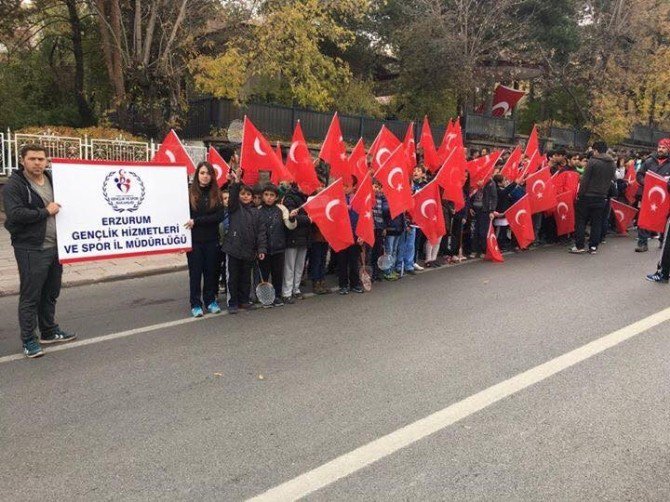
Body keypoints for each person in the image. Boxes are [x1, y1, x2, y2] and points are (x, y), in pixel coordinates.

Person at [3, 144, 76, 358]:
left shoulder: (53, 180)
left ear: (47, 161)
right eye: (32, 158)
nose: (37, 163)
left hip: (57, 247)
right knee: (31, 295)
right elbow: (15, 215)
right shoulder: (14, 186)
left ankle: (49, 331)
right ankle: (29, 340)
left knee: (51, 291)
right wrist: (45, 211)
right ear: (22, 161)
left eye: (41, 159)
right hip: (31, 247)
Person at [221, 169, 267, 314]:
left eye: (248, 194)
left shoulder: (256, 213)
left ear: (253, 197)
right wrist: (236, 181)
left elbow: (261, 233)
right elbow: (233, 195)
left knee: (245, 278)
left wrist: (261, 250)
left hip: (249, 251)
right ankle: (232, 302)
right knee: (232, 277)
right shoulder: (234, 208)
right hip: (233, 249)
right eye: (243, 194)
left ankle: (244, 300)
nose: (246, 196)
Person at [184, 162, 224, 317]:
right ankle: (195, 304)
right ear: (197, 175)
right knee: (195, 274)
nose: (205, 176)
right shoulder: (189, 194)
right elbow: (184, 216)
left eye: (208, 173)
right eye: (202, 173)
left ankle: (210, 301)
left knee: (210, 272)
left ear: (212, 176)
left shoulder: (217, 193)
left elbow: (219, 216)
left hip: (212, 240)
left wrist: (197, 221)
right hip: (194, 241)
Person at [570, 141, 616, 255]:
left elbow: (585, 180)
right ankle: (593, 246)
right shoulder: (612, 163)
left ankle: (579, 245)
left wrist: (580, 194)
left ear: (595, 150)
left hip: (587, 195)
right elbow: (612, 179)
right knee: (597, 222)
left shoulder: (593, 161)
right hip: (602, 196)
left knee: (581, 221)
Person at [257, 183, 296, 307]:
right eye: (266, 195)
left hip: (279, 248)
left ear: (276, 197)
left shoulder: (281, 209)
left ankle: (277, 296)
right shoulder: (258, 211)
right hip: (264, 249)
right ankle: (265, 297)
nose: (269, 197)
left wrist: (291, 218)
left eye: (272, 195)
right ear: (262, 196)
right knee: (264, 273)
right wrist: (259, 248)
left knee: (277, 273)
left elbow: (290, 226)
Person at [634, 138, 670, 252]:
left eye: (663, 148)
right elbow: (639, 174)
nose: (660, 149)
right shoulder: (649, 161)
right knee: (644, 218)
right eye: (659, 147)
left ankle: (662, 241)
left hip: (664, 197)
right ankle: (642, 243)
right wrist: (645, 182)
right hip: (648, 196)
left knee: (663, 219)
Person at [281, 183, 311, 304]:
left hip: (304, 237)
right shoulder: (289, 198)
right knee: (289, 266)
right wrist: (308, 219)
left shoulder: (306, 197)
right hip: (292, 237)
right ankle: (286, 292)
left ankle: (296, 289)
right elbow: (290, 217)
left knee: (299, 266)